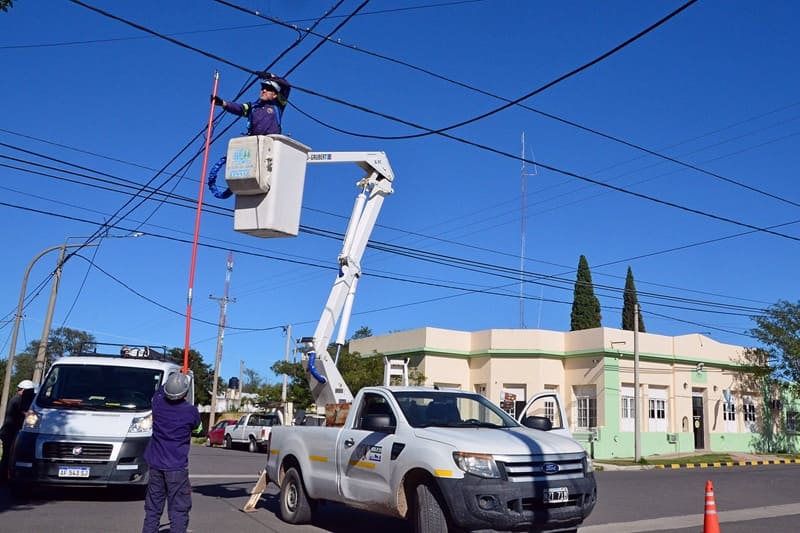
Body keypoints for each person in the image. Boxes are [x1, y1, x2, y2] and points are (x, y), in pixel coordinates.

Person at [142, 372, 201, 533]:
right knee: (179, 510)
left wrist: (172, 377)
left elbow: (159, 391)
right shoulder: (190, 412)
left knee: (153, 508)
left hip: (155, 465)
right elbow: (198, 427)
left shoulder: (158, 404)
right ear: (185, 392)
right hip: (176, 467)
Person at [212, 72, 291, 136]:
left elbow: (286, 86)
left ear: (275, 95)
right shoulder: (253, 107)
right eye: (262, 88)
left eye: (268, 89)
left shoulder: (278, 105)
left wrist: (271, 76)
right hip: (255, 143)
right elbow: (240, 108)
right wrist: (223, 103)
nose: (264, 90)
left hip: (271, 144)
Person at [0, 379, 36, 483]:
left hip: (8, 432)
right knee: (8, 456)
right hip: (9, 433)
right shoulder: (18, 400)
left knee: (9, 455)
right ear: (24, 390)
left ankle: (5, 477)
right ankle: (3, 478)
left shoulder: (17, 399)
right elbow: (25, 413)